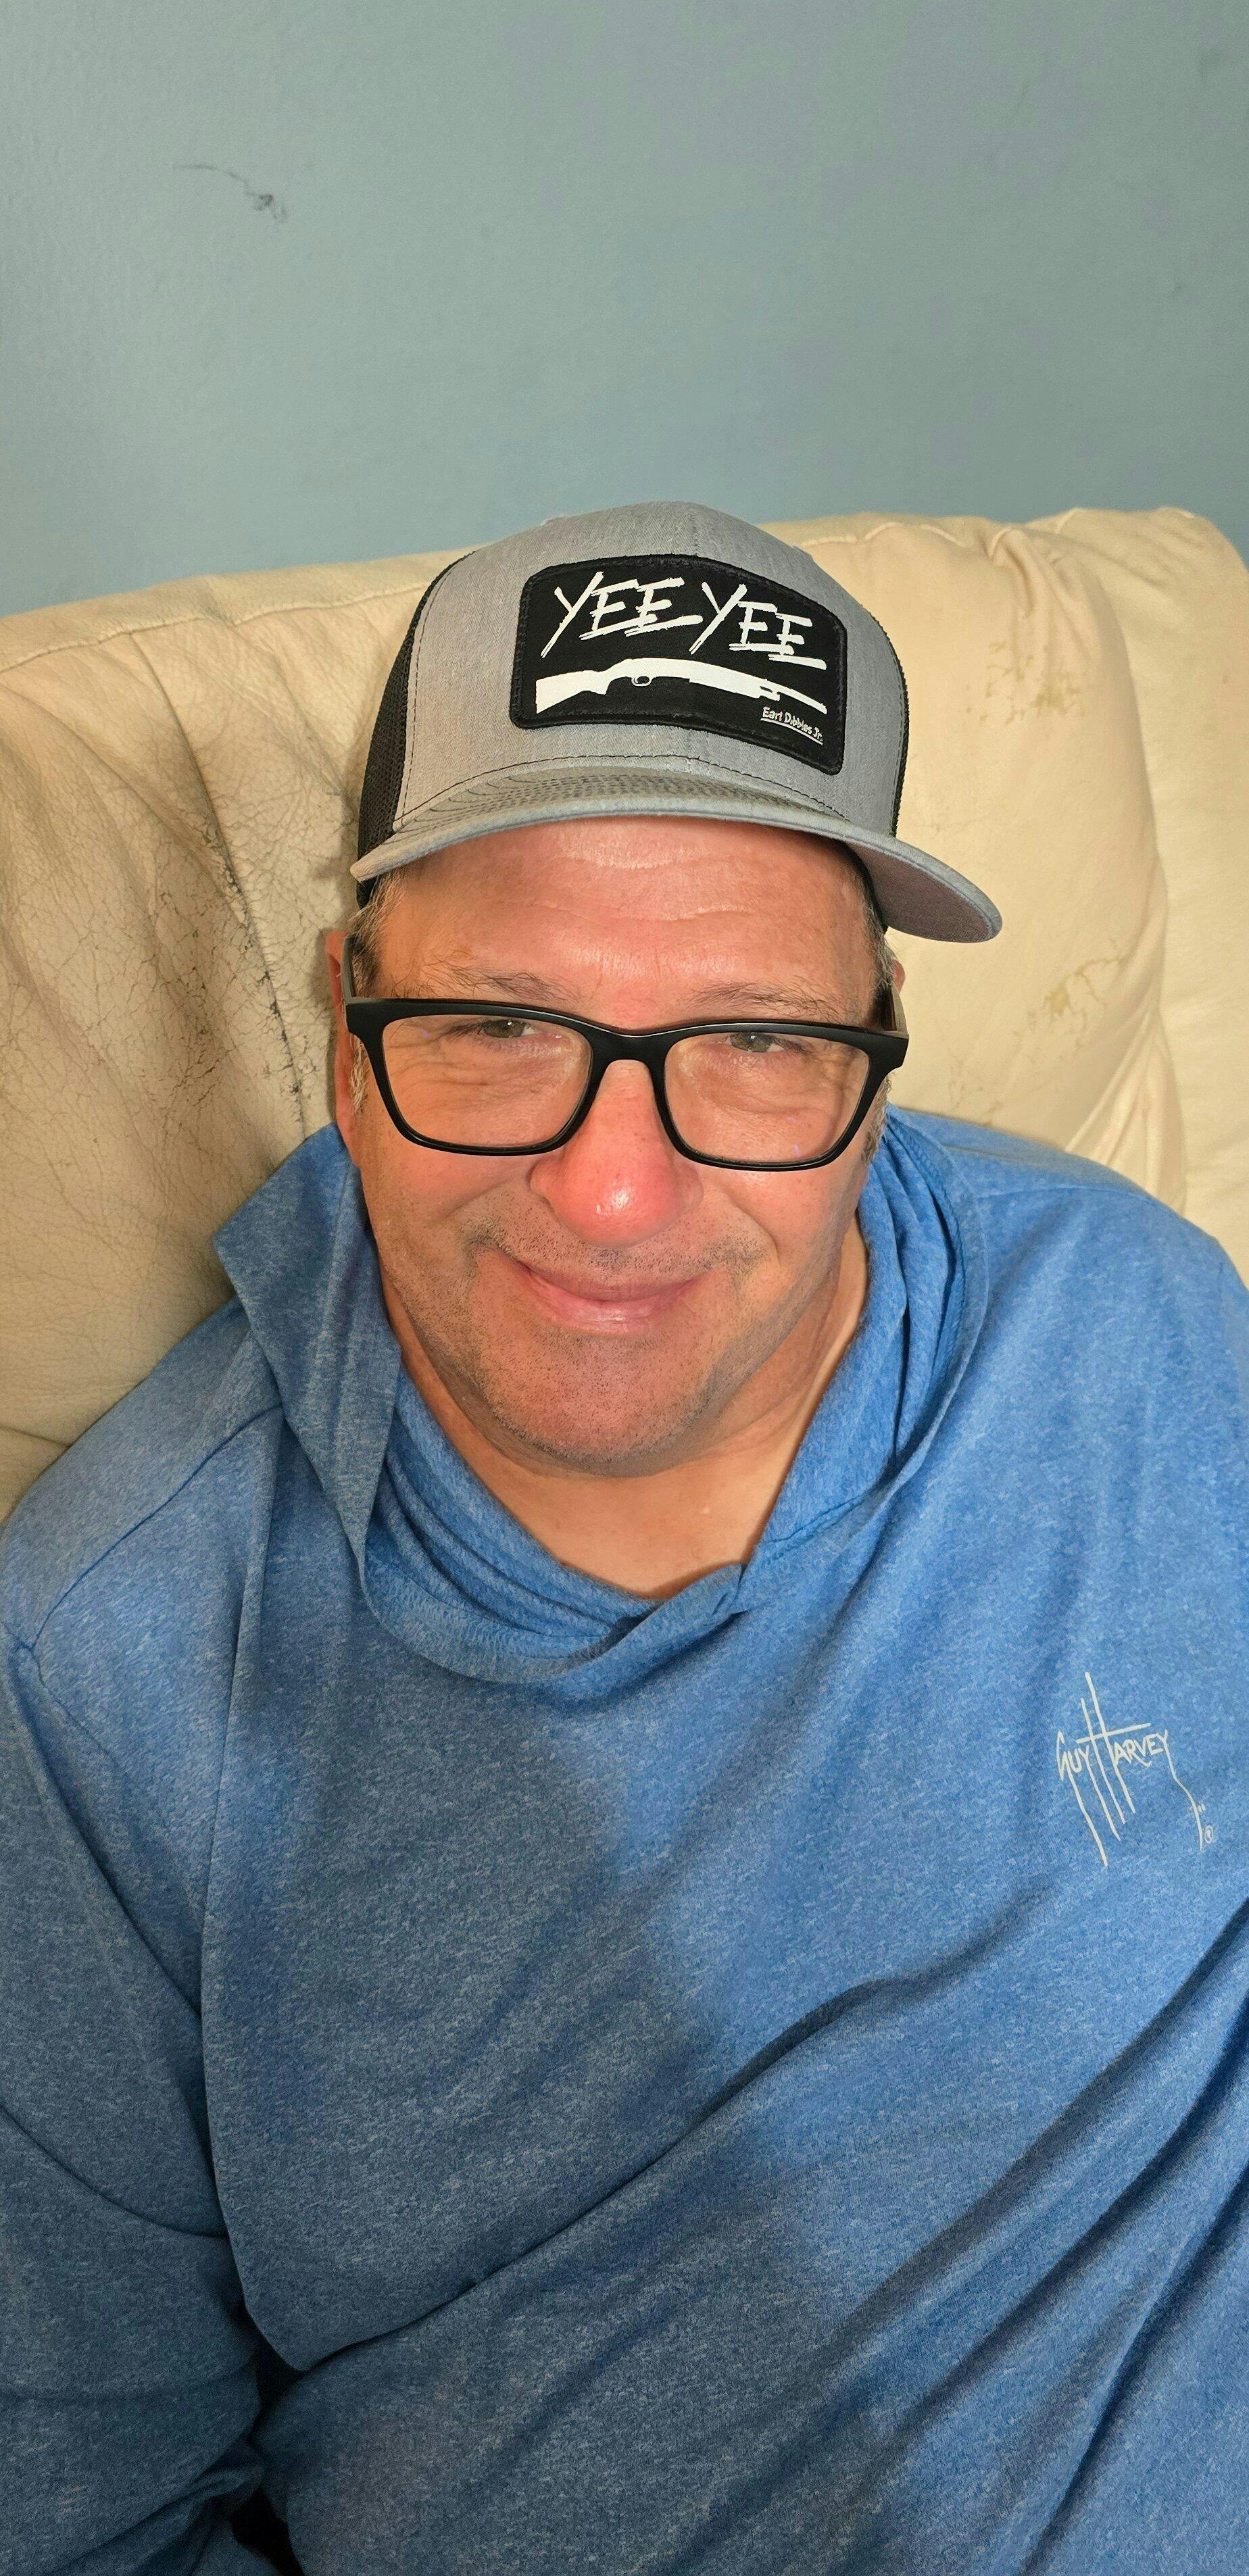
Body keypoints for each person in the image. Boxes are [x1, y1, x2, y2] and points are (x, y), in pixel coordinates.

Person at [1, 501, 1246, 2576]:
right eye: (500, 1025)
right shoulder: (108, 1677)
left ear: (876, 1056)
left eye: (755, 1041)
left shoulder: (1133, 1320)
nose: (609, 1193)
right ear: (345, 1021)